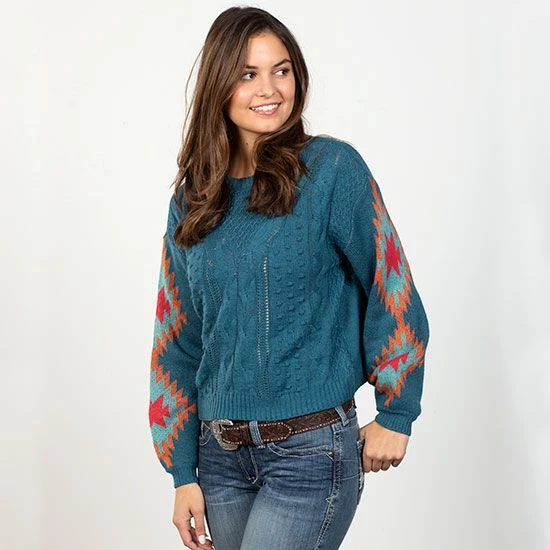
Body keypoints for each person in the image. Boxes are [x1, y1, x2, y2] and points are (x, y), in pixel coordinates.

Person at [148, 6, 430, 550]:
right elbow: (177, 340)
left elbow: (390, 284)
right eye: (247, 73)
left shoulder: (331, 170)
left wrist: (397, 410)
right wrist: (181, 472)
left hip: (310, 452)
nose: (269, 89)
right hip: (218, 460)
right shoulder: (193, 198)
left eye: (281, 70)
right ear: (218, 84)